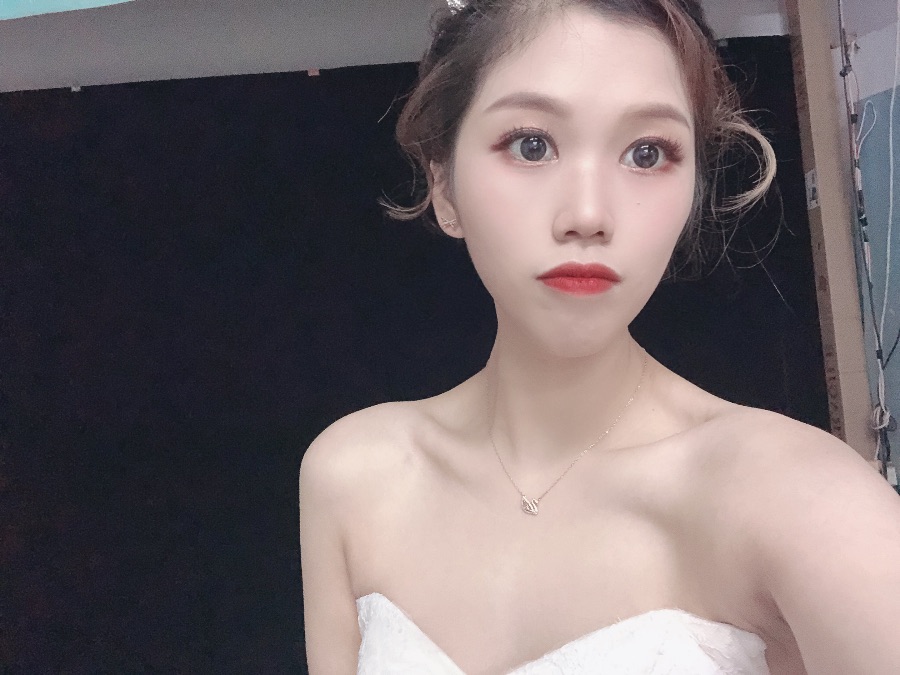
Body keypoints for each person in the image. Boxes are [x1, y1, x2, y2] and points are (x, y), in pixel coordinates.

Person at [299, 0, 900, 672]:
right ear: (443, 185)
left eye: (647, 153)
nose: (588, 215)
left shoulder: (800, 500)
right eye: (531, 144)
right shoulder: (353, 475)